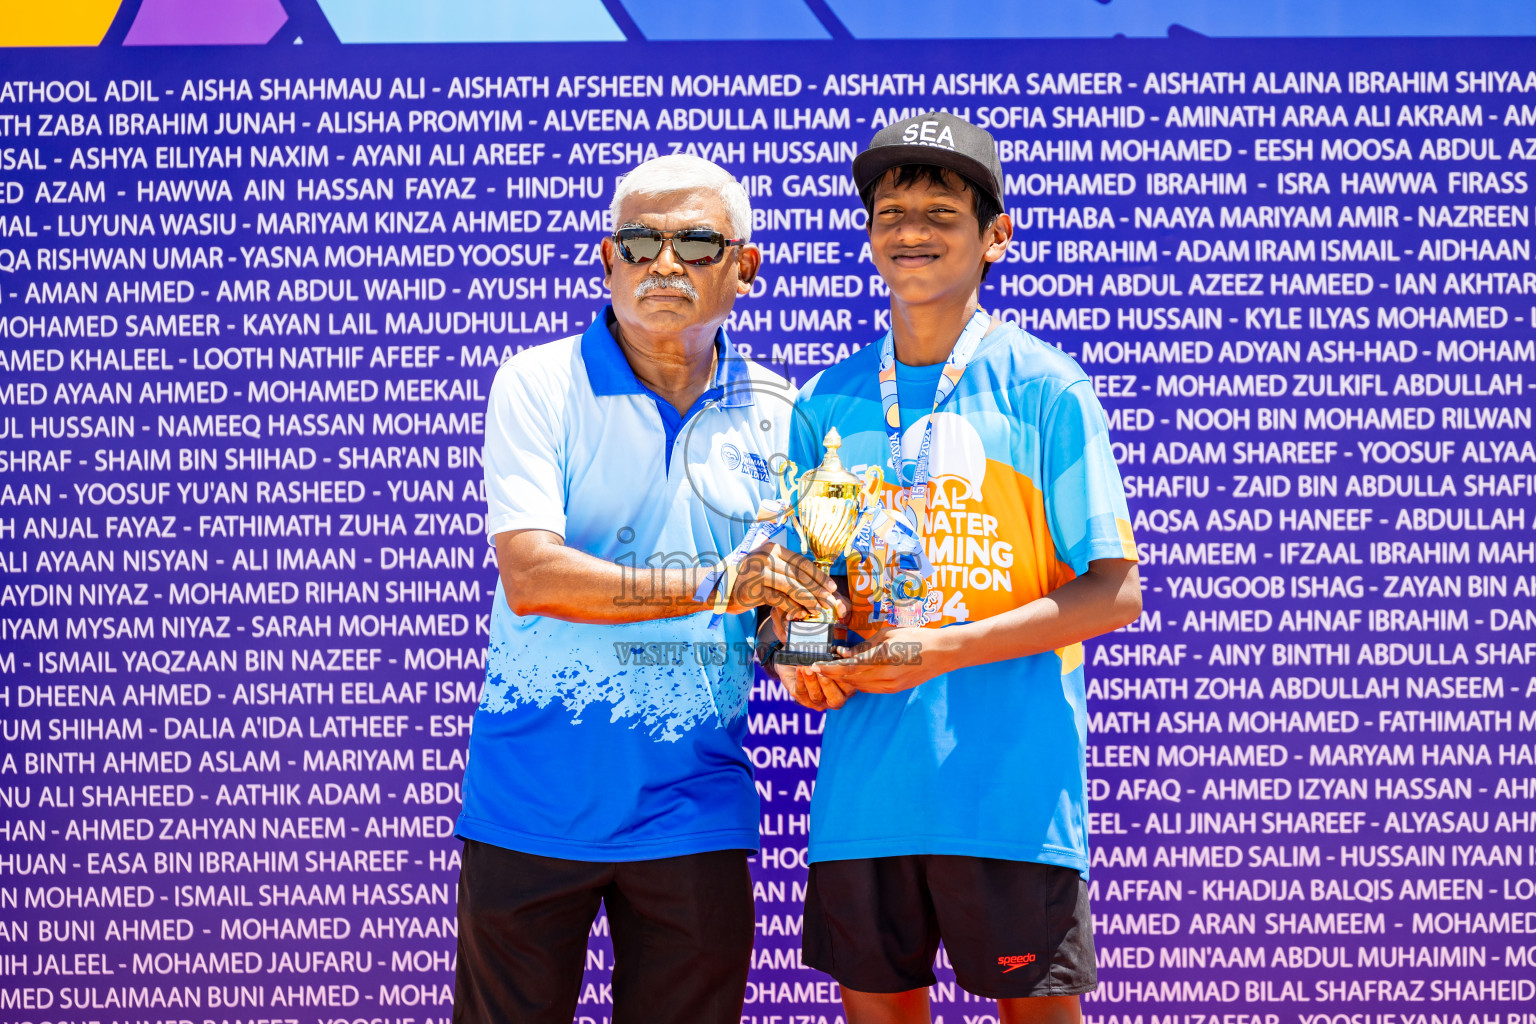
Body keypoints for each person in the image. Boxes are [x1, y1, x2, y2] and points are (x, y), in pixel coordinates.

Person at [766, 113, 1143, 1024]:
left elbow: (1114, 589)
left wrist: (947, 648)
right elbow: (802, 582)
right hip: (868, 796)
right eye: (891, 211)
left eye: (941, 210)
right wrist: (803, 653)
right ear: (869, 237)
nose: (912, 230)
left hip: (1010, 796)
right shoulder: (828, 400)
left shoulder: (1047, 387)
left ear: (995, 239)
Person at [454, 153, 844, 1024]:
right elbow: (533, 575)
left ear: (745, 268)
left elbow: (786, 607)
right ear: (607, 259)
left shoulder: (790, 416)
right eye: (640, 242)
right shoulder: (537, 382)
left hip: (694, 811)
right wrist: (717, 583)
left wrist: (814, 661)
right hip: (530, 805)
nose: (663, 264)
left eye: (696, 242)